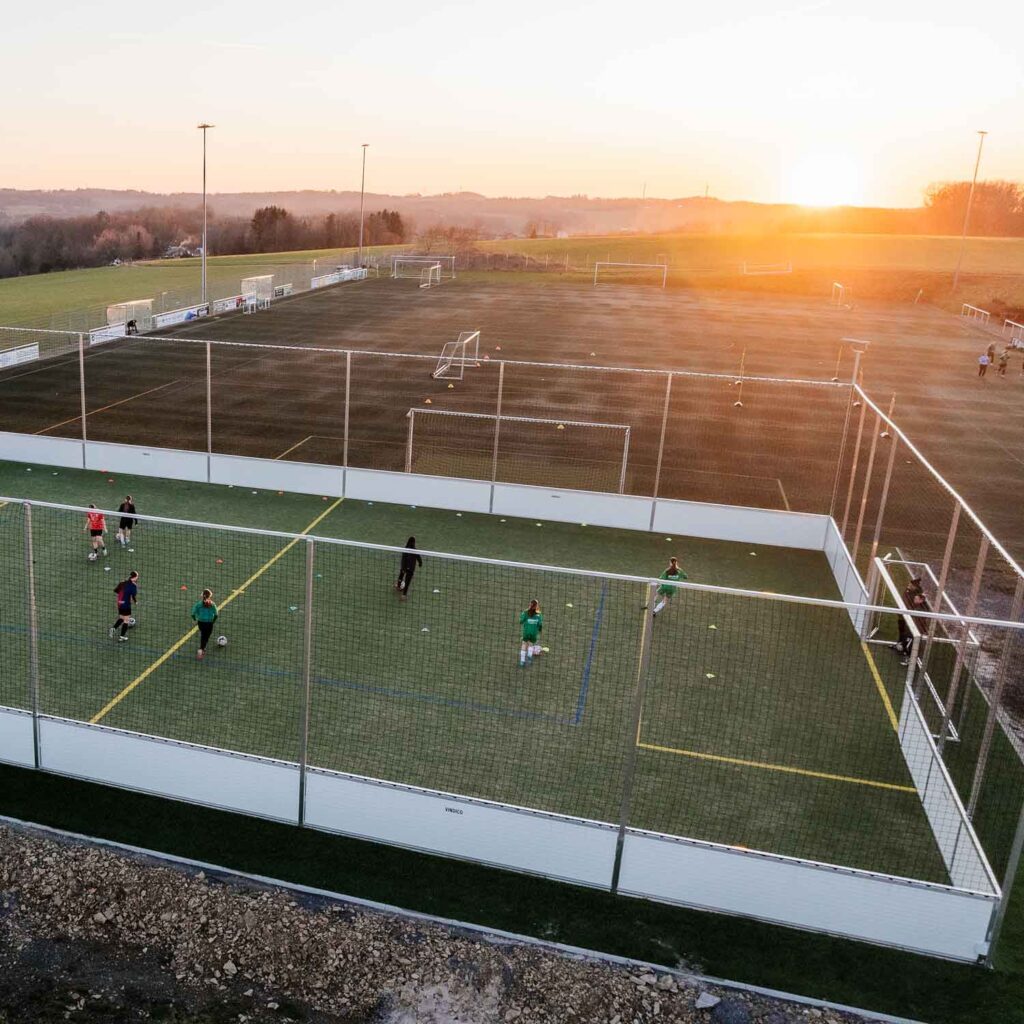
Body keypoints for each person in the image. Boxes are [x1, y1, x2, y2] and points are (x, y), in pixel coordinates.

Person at [109, 571, 139, 642]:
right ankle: (121, 637)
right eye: (137, 576)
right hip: (126, 604)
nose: (138, 577)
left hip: (119, 603)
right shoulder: (133, 586)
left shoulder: (122, 582)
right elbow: (133, 595)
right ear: (134, 577)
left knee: (121, 618)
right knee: (126, 620)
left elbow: (116, 590)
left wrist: (122, 596)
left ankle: (113, 629)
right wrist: (135, 601)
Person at [191, 589, 219, 660]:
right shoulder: (212, 604)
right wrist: (213, 621)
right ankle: (201, 650)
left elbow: (193, 614)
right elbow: (216, 614)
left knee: (203, 635)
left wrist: (195, 619)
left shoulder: (198, 604)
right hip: (209, 623)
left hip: (201, 623)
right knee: (206, 636)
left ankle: (202, 648)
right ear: (210, 596)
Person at [394, 536, 423, 600]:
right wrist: (420, 564)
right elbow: (419, 558)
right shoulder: (415, 550)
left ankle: (398, 586)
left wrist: (403, 568)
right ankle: (404, 595)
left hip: (404, 567)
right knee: (407, 582)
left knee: (401, 575)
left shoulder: (405, 549)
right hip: (411, 569)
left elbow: (403, 559)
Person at [519, 599, 543, 667]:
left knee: (524, 644)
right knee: (531, 644)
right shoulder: (539, 614)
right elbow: (540, 624)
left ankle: (522, 661)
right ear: (537, 606)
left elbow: (521, 621)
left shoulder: (525, 612)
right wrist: (540, 630)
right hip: (534, 633)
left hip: (526, 632)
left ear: (530, 605)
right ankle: (529, 656)